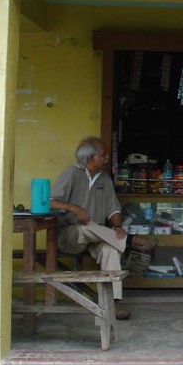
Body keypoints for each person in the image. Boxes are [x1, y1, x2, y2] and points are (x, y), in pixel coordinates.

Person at [50, 136, 131, 320]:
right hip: (71, 235)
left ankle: (113, 303)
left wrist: (117, 226)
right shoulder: (71, 173)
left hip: (98, 236)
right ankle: (130, 240)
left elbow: (113, 210)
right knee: (85, 228)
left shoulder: (105, 179)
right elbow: (50, 202)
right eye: (103, 154)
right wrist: (73, 208)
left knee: (111, 248)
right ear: (90, 157)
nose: (107, 157)